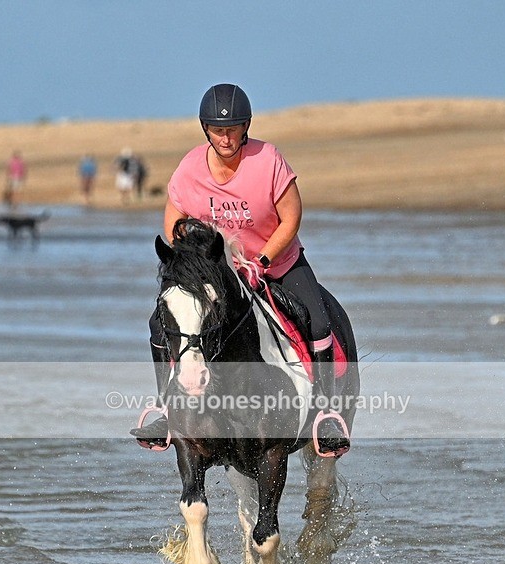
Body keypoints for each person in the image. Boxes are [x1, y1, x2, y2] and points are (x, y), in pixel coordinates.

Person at [131, 83, 349, 455]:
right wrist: (193, 260)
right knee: (159, 323)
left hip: (278, 264)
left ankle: (325, 415)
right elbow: (172, 221)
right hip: (216, 273)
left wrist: (261, 262)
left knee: (319, 321)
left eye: (233, 129)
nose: (226, 138)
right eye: (218, 130)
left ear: (245, 127)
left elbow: (291, 217)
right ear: (206, 131)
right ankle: (166, 409)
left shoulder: (267, 160)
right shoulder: (189, 169)